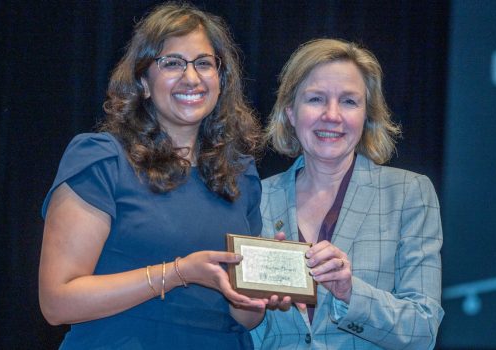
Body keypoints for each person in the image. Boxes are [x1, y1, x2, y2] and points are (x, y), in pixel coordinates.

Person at [39, 2, 267, 349]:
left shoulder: (241, 174)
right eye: (172, 63)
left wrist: (263, 284)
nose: (191, 77)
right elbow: (57, 303)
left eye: (204, 63)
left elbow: (247, 317)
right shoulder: (101, 159)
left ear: (221, 80)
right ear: (144, 81)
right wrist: (177, 273)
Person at [251, 38, 444, 349]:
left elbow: (422, 330)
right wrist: (253, 307)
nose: (332, 115)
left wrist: (350, 292)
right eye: (315, 99)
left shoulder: (409, 194)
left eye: (349, 102)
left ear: (367, 115)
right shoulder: (256, 198)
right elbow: (244, 333)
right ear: (290, 112)